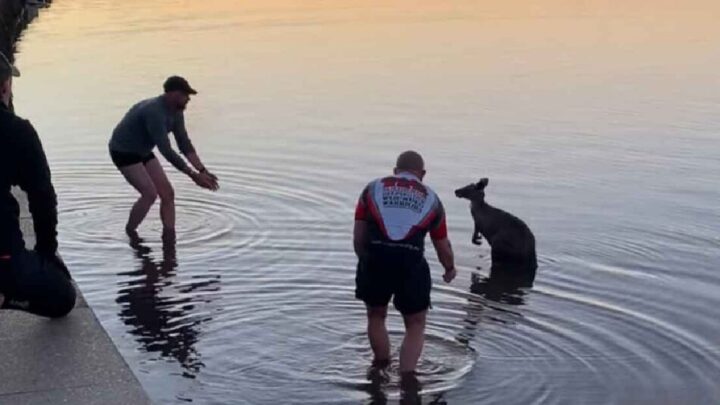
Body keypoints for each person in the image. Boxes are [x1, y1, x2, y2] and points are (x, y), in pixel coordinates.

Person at [353, 150, 457, 378]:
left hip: (375, 259)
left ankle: (380, 367)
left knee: (376, 315)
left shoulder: (371, 189)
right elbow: (442, 245)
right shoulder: (432, 200)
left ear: (395, 171)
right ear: (423, 174)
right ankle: (408, 381)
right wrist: (449, 268)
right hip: (410, 264)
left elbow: (358, 236)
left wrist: (366, 263)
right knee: (416, 323)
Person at [0, 51, 76, 318]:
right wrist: (47, 251)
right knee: (63, 297)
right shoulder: (17, 131)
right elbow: (42, 197)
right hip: (4, 257)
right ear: (5, 87)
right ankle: (6, 295)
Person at [108, 76, 219, 240]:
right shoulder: (154, 112)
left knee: (167, 193)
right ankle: (130, 234)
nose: (188, 99)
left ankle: (169, 238)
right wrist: (193, 175)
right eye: (185, 94)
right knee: (149, 194)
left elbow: (184, 143)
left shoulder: (177, 112)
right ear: (173, 94)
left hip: (143, 150)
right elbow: (166, 150)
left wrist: (203, 171)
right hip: (124, 151)